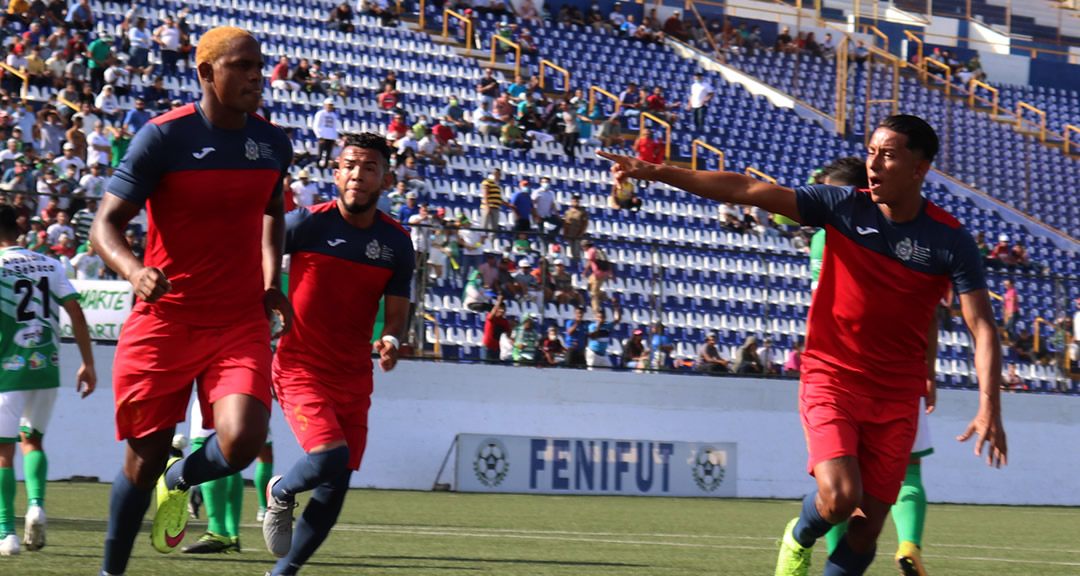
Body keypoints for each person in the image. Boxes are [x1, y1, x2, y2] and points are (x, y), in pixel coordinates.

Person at [599, 114, 1007, 576]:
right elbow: (745, 191)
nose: (873, 163)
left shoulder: (950, 239)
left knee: (866, 531)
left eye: (887, 155)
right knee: (840, 497)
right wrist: (655, 171)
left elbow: (983, 327)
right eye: (871, 152)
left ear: (919, 169)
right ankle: (798, 536)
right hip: (832, 376)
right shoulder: (841, 206)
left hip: (896, 395)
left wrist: (988, 404)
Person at [91, 27, 294, 576]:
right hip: (166, 320)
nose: (257, 75)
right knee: (141, 459)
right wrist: (134, 270)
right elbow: (103, 227)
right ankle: (112, 570)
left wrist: (272, 278)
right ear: (206, 73)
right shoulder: (162, 138)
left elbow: (273, 210)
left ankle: (180, 481)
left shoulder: (273, 143)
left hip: (238, 320)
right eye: (242, 65)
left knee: (244, 439)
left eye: (260, 65)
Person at [261, 132, 412, 575]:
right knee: (330, 457)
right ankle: (280, 491)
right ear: (336, 171)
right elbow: (257, 249)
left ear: (385, 179)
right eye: (350, 165)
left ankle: (282, 574)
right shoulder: (306, 223)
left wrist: (393, 340)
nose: (358, 175)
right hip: (298, 366)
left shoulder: (398, 244)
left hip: (353, 376)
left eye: (369, 168)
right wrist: (265, 294)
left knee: (334, 486)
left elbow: (398, 314)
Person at [810, 156, 945, 575]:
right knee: (905, 474)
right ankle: (909, 544)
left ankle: (807, 538)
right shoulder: (918, 236)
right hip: (896, 375)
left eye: (827, 189)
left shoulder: (828, 234)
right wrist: (928, 370)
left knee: (841, 491)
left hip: (848, 375)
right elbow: (929, 313)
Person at [0, 203, 96, 556]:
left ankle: (5, 532)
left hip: (6, 368)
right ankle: (37, 505)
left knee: (2, 452)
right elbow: (76, 312)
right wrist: (88, 363)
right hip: (47, 366)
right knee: (33, 440)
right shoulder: (50, 263)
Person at [586, 303, 621, 370]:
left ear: (604, 318)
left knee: (608, 372)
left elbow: (617, 319)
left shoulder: (607, 326)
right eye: (599, 317)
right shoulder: (592, 326)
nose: (600, 319)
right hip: (593, 353)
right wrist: (598, 327)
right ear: (596, 318)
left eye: (602, 317)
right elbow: (593, 336)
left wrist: (616, 307)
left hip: (603, 354)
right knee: (591, 372)